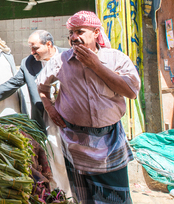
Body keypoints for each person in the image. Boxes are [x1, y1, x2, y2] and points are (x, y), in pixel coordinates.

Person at [36, 11, 140, 203]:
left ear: (96, 33)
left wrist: (95, 65)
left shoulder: (116, 58)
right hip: (75, 142)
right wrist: (50, 108)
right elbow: (41, 86)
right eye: (71, 33)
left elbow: (131, 92)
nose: (74, 37)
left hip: (110, 142)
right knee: (84, 198)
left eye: (80, 32)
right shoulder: (60, 61)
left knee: (115, 198)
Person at [0, 30, 70, 193]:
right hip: (45, 120)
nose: (32, 52)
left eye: (35, 48)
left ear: (48, 44)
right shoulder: (29, 63)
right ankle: (60, 194)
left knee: (72, 161)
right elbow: (13, 83)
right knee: (54, 159)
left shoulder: (68, 56)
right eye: (30, 48)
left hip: (72, 120)